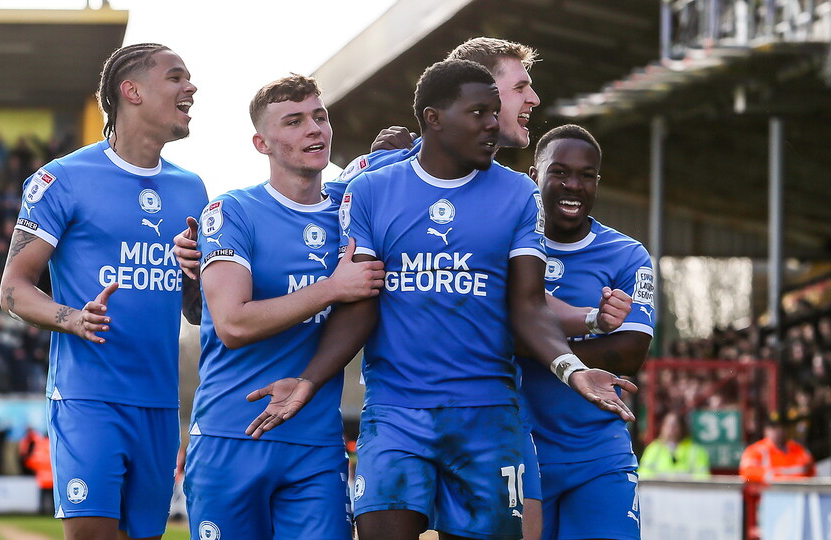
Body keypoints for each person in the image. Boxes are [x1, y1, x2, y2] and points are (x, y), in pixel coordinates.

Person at [246, 59, 636, 540]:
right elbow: (360, 304)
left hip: (488, 417)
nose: (494, 124)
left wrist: (572, 370)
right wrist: (308, 381)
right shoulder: (372, 190)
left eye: (496, 112)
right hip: (395, 414)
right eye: (478, 112)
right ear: (433, 118)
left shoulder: (518, 194)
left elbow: (529, 305)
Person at [0, 43, 207, 540]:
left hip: (160, 403)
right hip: (88, 396)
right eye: (176, 78)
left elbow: (197, 312)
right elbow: (12, 288)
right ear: (130, 91)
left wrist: (196, 274)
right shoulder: (62, 180)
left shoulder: (193, 189)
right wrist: (72, 318)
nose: (191, 88)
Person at [182, 74, 384, 540]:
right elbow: (232, 322)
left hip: (314, 446)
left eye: (319, 116)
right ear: (262, 143)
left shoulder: (352, 211)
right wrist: (332, 288)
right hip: (231, 438)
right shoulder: (231, 211)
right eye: (293, 122)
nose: (313, 129)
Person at [520, 124, 656, 540]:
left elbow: (630, 352)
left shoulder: (628, 254)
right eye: (559, 172)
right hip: (518, 452)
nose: (573, 185)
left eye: (586, 175)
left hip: (598, 455)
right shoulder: (507, 247)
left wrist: (528, 339)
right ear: (533, 176)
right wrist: (583, 339)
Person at [739, 413, 816, 539]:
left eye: (781, 428)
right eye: (773, 428)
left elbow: (811, 474)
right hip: (767, 505)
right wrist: (774, 478)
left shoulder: (799, 451)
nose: (778, 432)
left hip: (796, 505)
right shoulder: (756, 451)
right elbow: (746, 472)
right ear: (766, 430)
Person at [638, 412, 710, 479]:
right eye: (668, 425)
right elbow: (644, 473)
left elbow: (702, 477)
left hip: (687, 491)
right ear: (662, 427)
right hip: (659, 491)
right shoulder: (654, 448)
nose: (670, 428)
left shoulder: (695, 450)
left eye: (674, 425)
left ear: (682, 427)